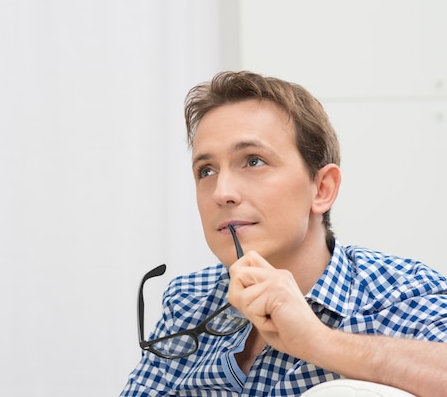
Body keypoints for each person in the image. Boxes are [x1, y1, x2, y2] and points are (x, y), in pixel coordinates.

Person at [120, 71, 447, 397]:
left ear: (322, 189)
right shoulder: (187, 300)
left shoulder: (403, 292)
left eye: (253, 161)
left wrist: (320, 341)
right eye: (206, 170)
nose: (222, 192)